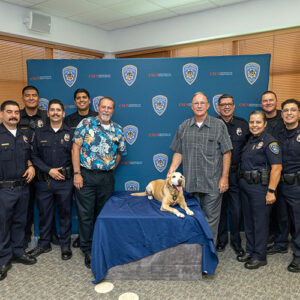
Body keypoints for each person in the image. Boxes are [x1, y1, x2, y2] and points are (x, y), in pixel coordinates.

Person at [169, 92, 232, 241]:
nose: (199, 106)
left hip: (212, 184)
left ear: (208, 105)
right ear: (191, 106)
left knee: (210, 221)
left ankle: (208, 255)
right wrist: (171, 170)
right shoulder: (184, 126)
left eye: (202, 103)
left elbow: (227, 153)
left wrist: (224, 177)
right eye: (196, 103)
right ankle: (195, 254)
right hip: (190, 185)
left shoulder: (219, 125)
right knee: (192, 220)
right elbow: (179, 151)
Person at [72, 96, 127, 268]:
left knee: (102, 213)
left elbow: (120, 153)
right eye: (103, 107)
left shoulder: (118, 129)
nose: (106, 110)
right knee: (85, 214)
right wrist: (76, 173)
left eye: (110, 108)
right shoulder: (86, 124)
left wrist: (109, 169)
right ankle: (88, 250)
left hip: (106, 178)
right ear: (98, 107)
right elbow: (75, 148)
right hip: (85, 175)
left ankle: (100, 244)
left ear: (113, 110)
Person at [28, 99, 73, 261]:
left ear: (63, 113)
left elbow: (75, 157)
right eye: (52, 110)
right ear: (47, 113)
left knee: (65, 214)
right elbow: (33, 156)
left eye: (58, 110)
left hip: (64, 182)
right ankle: (44, 243)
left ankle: (65, 245)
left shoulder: (70, 133)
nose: (55, 113)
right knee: (45, 214)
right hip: (44, 181)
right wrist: (49, 170)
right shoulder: (39, 133)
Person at [237, 111, 282, 269]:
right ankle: (251, 250)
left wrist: (271, 191)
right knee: (249, 221)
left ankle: (260, 255)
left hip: (260, 188)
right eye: (251, 122)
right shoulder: (250, 141)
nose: (254, 125)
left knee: (260, 222)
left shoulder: (270, 142)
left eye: (258, 122)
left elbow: (277, 168)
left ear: (265, 124)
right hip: (246, 186)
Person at [0, 101, 36, 281]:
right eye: (9, 112)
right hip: (4, 189)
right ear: (1, 114)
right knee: (3, 225)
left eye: (16, 112)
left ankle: (18, 252)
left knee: (20, 222)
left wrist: (31, 167)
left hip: (23, 187)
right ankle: (3, 259)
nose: (13, 115)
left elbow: (28, 157)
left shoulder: (25, 135)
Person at [215, 94, 249, 256]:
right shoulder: (212, 124)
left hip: (236, 175)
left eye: (229, 104)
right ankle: (221, 240)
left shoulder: (243, 124)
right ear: (218, 107)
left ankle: (236, 241)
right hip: (216, 175)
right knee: (219, 209)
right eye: (223, 105)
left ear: (234, 106)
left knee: (236, 210)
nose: (226, 107)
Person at [19, 86, 52, 248]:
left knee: (47, 206)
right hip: (23, 169)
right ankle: (24, 240)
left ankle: (50, 236)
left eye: (34, 95)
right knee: (24, 208)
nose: (31, 98)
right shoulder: (15, 116)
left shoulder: (46, 117)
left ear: (39, 99)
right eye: (27, 96)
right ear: (23, 98)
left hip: (44, 170)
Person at [64, 88, 98, 248]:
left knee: (93, 208)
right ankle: (83, 237)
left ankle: (92, 237)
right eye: (78, 98)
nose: (82, 100)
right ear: (75, 101)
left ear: (89, 100)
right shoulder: (69, 120)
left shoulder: (98, 118)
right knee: (81, 208)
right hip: (73, 168)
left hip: (91, 170)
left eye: (84, 97)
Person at [261, 90, 288, 248]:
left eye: (271, 100)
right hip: (266, 172)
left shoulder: (284, 117)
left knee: (282, 210)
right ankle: (271, 237)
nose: (268, 103)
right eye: (265, 101)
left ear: (276, 102)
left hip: (284, 170)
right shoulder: (259, 119)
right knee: (268, 207)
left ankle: (282, 241)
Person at [276, 99, 300, 272]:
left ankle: (298, 255)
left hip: (297, 184)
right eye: (285, 110)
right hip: (281, 183)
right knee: (282, 217)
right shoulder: (280, 132)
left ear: (298, 113)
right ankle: (281, 244)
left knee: (298, 222)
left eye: (293, 110)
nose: (289, 113)